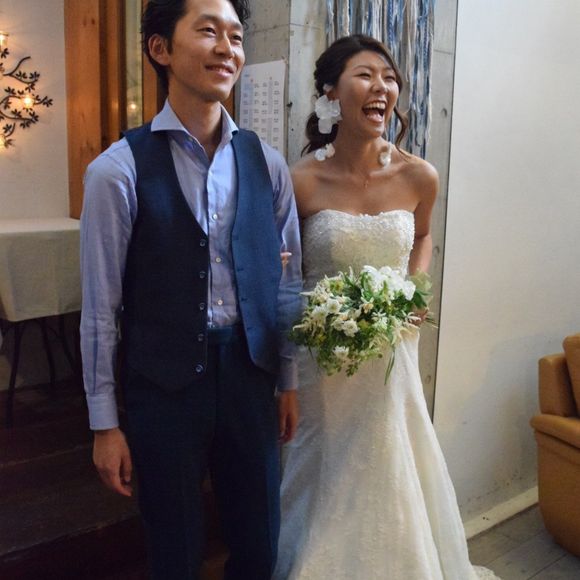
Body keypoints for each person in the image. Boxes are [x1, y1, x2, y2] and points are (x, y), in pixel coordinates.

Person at [79, 0, 302, 578]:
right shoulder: (117, 170)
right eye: (207, 31)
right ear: (160, 49)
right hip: (163, 386)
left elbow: (286, 280)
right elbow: (100, 308)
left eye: (236, 35)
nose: (227, 48)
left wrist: (288, 379)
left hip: (250, 374)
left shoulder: (268, 163)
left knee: (260, 544)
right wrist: (104, 423)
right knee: (174, 550)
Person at [274, 35, 500, 580]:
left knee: (388, 462)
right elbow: (283, 273)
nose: (382, 87)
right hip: (321, 358)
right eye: (365, 75)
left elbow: (422, 236)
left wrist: (413, 289)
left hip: (390, 348)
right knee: (323, 471)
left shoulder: (419, 175)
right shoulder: (299, 180)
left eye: (390, 77)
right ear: (330, 92)